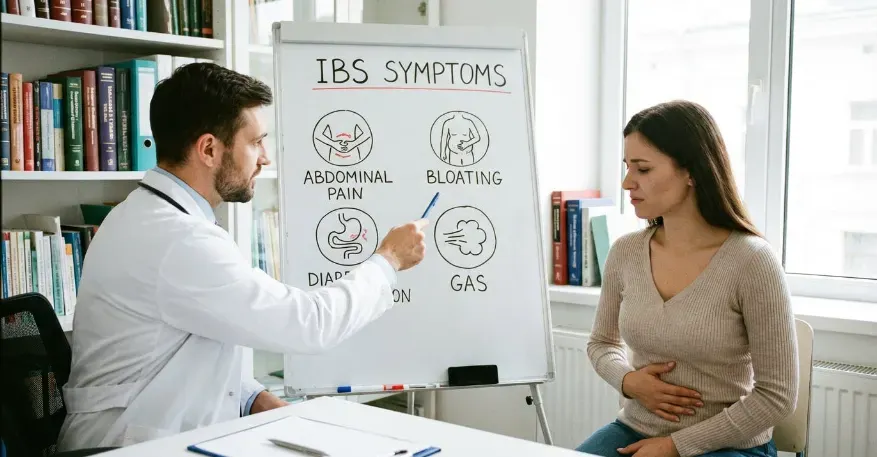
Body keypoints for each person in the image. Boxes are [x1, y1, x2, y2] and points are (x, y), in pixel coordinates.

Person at [56, 63, 428, 451]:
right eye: (255, 142)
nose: (264, 157)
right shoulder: (178, 239)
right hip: (129, 446)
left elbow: (192, 346)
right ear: (209, 149)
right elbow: (309, 324)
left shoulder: (147, 215)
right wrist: (388, 261)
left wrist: (255, 399)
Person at [576, 100, 798, 457]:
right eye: (627, 167)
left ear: (692, 172)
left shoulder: (752, 261)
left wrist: (677, 446)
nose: (626, 182)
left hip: (730, 445)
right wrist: (629, 381)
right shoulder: (625, 253)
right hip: (635, 429)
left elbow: (777, 396)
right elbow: (601, 343)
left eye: (643, 169)